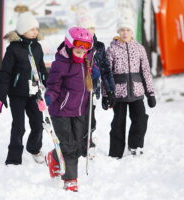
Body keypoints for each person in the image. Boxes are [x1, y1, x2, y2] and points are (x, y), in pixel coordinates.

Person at [44, 27, 93, 192]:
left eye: (84, 52)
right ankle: (70, 180)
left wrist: (96, 74)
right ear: (69, 46)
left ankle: (54, 156)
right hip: (61, 111)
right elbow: (53, 84)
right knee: (69, 145)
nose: (81, 55)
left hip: (79, 111)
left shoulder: (86, 62)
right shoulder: (60, 64)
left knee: (78, 145)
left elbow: (89, 78)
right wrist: (49, 96)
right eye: (78, 52)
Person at [0, 12, 48, 165]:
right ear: (22, 30)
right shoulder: (13, 49)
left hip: (34, 93)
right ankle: (13, 157)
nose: (35, 32)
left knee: (38, 124)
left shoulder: (37, 47)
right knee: (19, 127)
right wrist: (1, 95)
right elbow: (5, 73)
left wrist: (49, 85)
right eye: (32, 29)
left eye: (36, 29)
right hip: (17, 94)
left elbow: (41, 69)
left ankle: (34, 148)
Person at [106, 17, 156, 159]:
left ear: (132, 32)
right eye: (122, 30)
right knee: (118, 123)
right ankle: (115, 152)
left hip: (137, 91)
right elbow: (107, 73)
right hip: (119, 93)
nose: (125, 33)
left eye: (127, 30)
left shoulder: (139, 49)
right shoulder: (112, 49)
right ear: (118, 31)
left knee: (140, 119)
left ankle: (135, 145)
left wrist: (150, 93)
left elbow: (145, 71)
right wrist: (107, 94)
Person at [76, 14, 116, 157]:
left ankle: (88, 142)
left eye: (92, 27)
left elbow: (106, 69)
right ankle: (77, 143)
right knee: (78, 117)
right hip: (75, 90)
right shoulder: (75, 46)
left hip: (91, 88)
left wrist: (110, 91)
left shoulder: (99, 47)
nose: (90, 31)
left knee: (90, 117)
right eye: (86, 28)